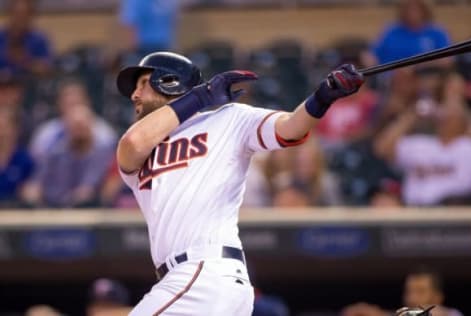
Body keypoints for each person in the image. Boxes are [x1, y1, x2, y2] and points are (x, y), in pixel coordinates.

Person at [115, 51, 364, 315]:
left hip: (204, 270)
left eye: (143, 84)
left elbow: (290, 126)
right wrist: (200, 97)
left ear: (169, 81)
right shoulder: (139, 151)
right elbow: (133, 142)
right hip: (187, 279)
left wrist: (322, 97)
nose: (134, 95)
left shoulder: (229, 118)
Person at [373, 0, 450, 65]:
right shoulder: (391, 31)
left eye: (416, 9)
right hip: (393, 76)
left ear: (424, 9)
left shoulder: (436, 32)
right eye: (408, 8)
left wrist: (420, 67)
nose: (411, 13)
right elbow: (373, 57)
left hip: (428, 74)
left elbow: (447, 60)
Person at [0, 0, 52, 76]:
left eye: (24, 15)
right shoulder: (1, 37)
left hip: (29, 84)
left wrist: (24, 60)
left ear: (31, 16)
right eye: (16, 14)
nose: (19, 19)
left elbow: (46, 69)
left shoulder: (39, 39)